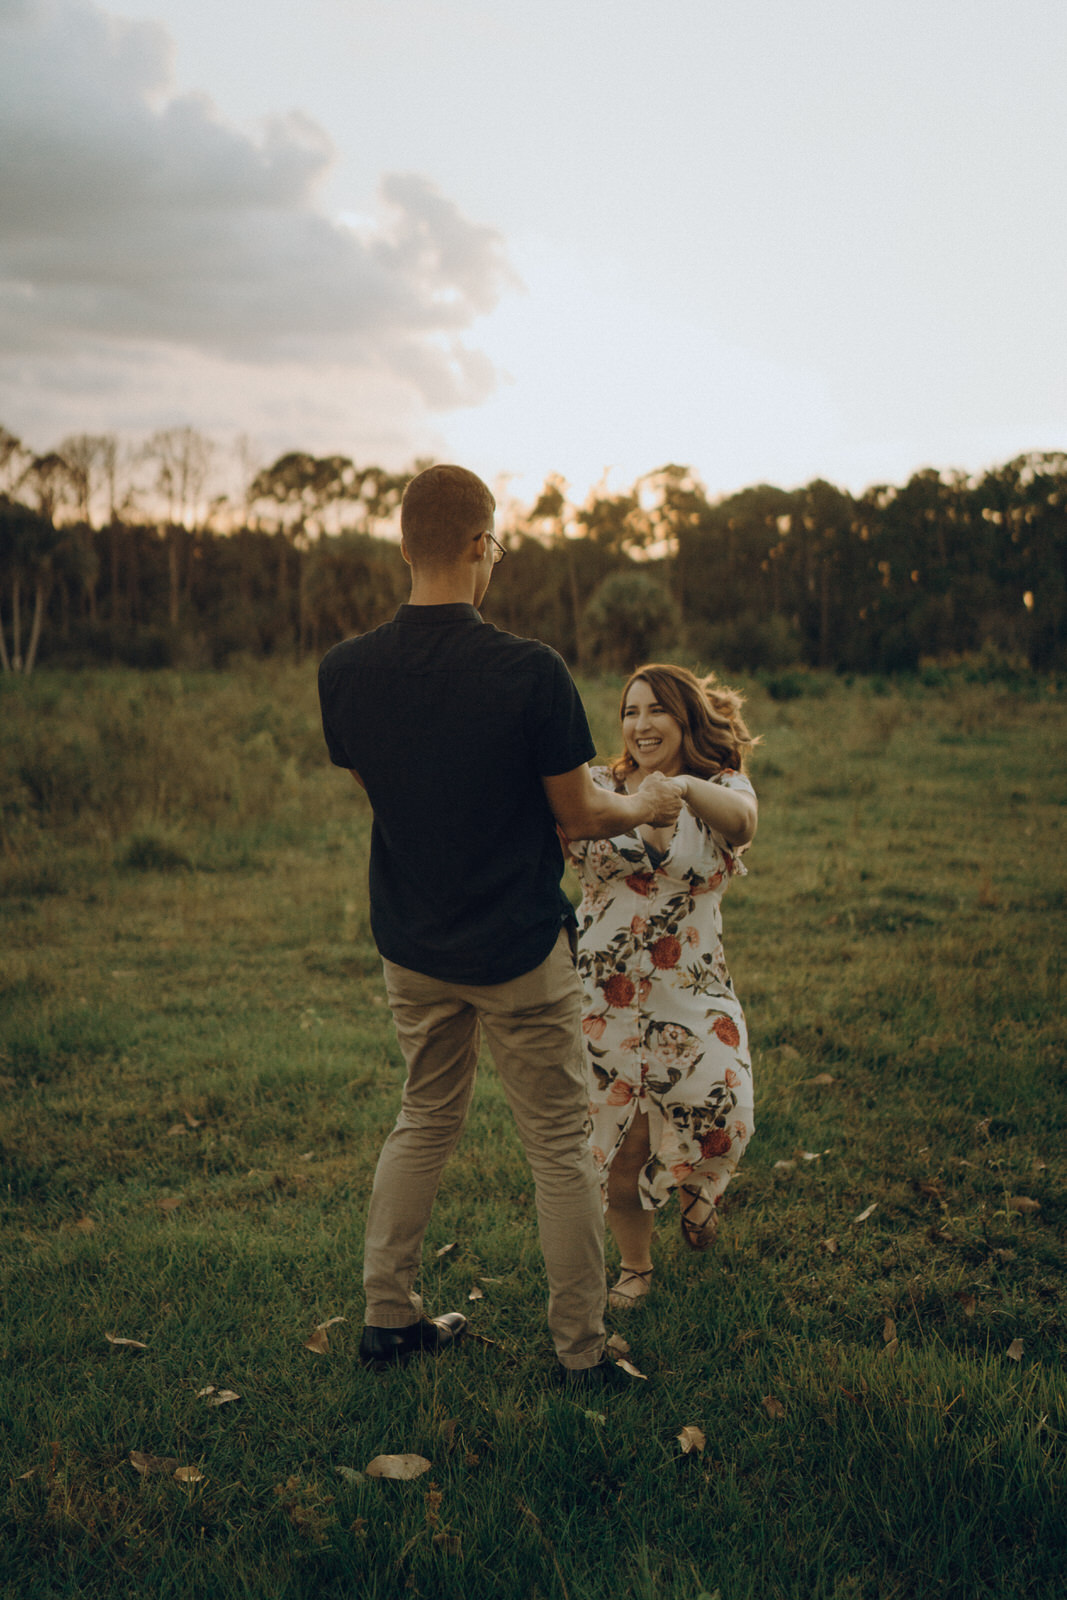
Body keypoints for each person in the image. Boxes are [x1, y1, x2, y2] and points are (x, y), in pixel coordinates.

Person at [317, 464, 682, 1382]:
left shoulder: (344, 672)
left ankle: (387, 1318)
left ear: (405, 545)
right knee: (559, 1147)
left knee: (424, 1117)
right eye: (499, 548)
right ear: (482, 546)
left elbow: (384, 798)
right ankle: (579, 1352)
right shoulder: (530, 671)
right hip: (519, 948)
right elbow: (583, 814)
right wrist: (648, 805)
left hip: (412, 945)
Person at [564, 663, 758, 1310]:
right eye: (629, 711)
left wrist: (674, 788)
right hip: (601, 991)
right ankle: (635, 1265)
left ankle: (700, 1185)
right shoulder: (595, 784)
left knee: (723, 1102)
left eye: (655, 711)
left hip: (691, 984)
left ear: (684, 718)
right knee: (618, 1137)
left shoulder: (719, 785)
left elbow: (744, 822)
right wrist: (636, 799)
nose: (640, 725)